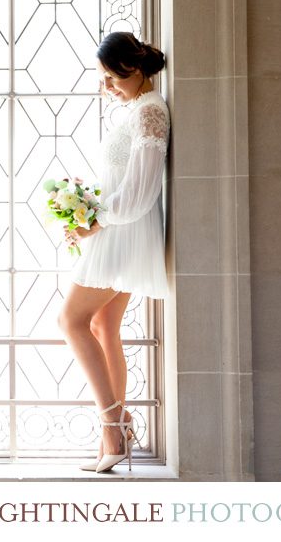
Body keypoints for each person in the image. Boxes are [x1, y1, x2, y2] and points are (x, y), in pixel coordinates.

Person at [56, 31, 170, 473]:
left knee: (71, 320)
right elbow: (123, 180)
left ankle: (113, 425)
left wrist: (95, 222)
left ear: (135, 70)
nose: (106, 86)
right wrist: (84, 209)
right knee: (104, 324)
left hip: (123, 231)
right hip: (117, 227)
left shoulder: (150, 112)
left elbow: (141, 191)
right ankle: (118, 432)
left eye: (111, 77)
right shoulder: (138, 109)